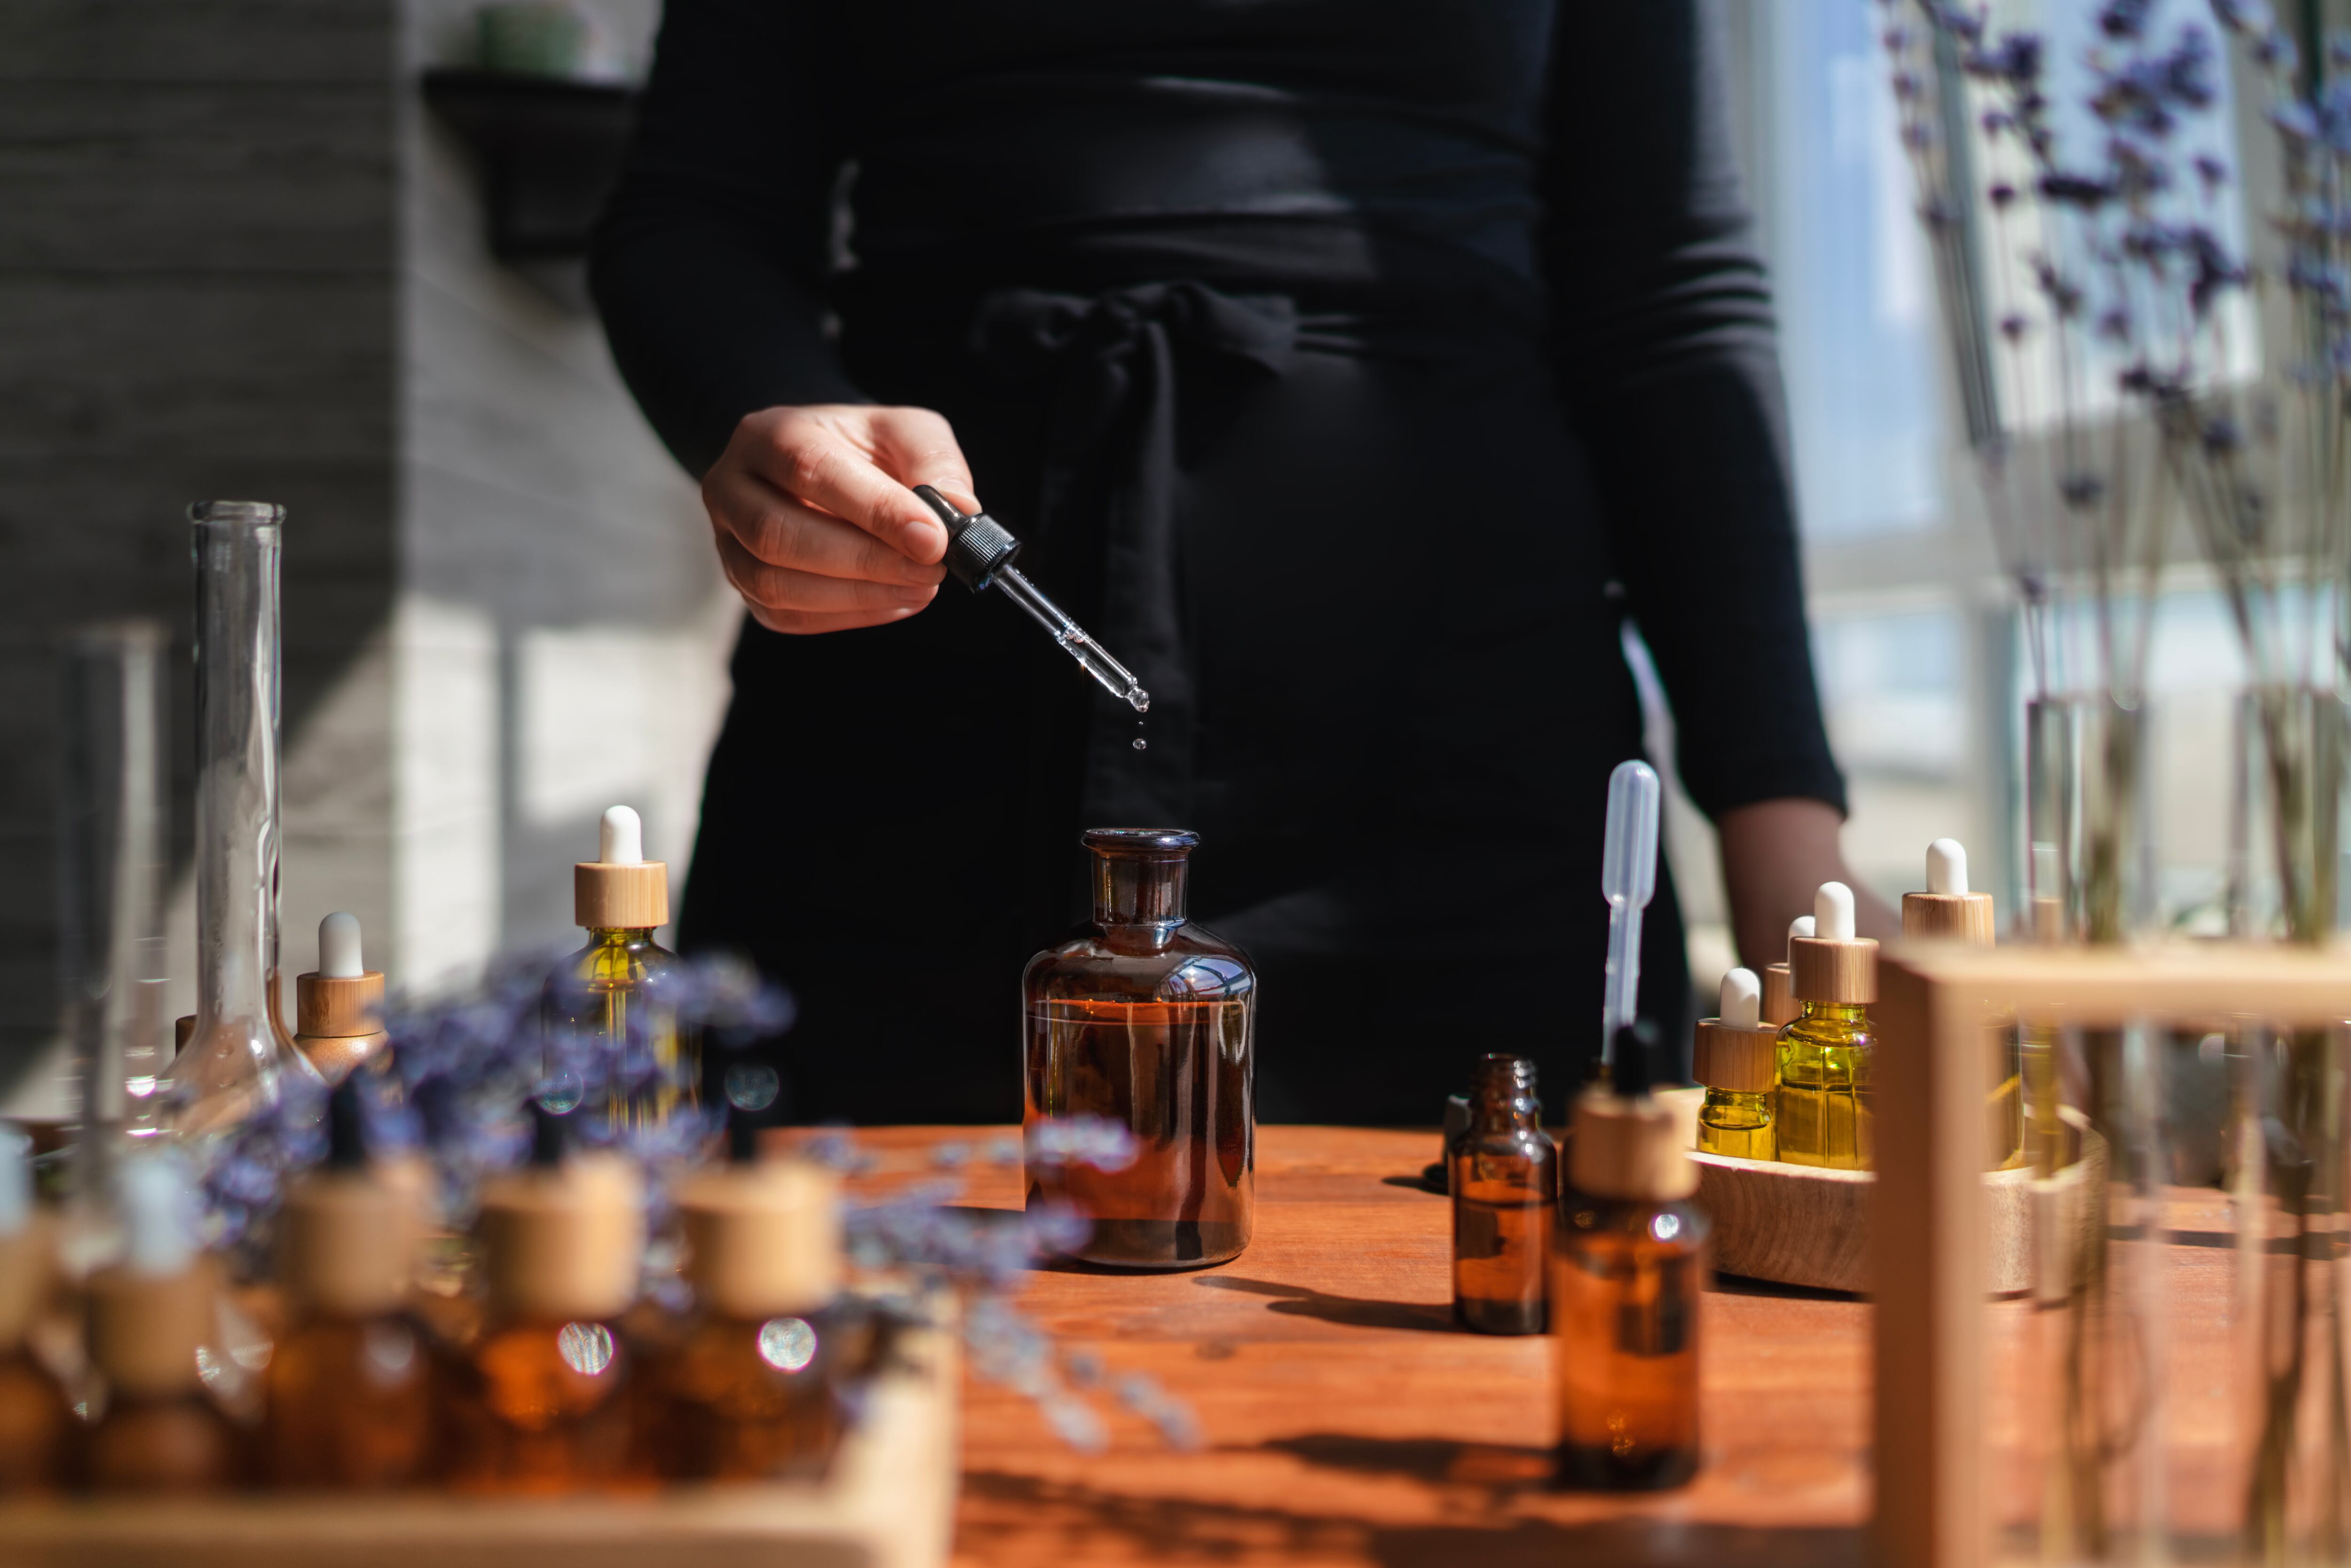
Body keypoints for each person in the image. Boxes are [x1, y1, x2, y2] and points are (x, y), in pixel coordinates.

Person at [591, 0, 1892, 1125]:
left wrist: (1784, 822)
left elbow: (1666, 299)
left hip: (1469, 756)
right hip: (919, 707)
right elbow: (691, 215)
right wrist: (772, 415)